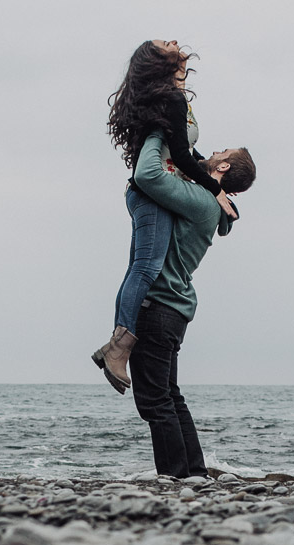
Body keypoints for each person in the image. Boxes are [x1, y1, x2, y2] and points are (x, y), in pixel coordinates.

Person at [94, 39, 238, 393]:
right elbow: (182, 158)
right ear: (160, 62)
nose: (174, 41)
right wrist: (215, 189)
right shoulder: (171, 100)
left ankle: (114, 346)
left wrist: (216, 182)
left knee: (140, 267)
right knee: (146, 267)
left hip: (151, 195)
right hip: (151, 195)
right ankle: (118, 348)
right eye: (165, 43)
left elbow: (188, 151)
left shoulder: (174, 99)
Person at [125, 131, 255, 477]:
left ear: (224, 164)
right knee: (170, 396)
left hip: (158, 305)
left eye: (221, 151)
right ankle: (194, 473)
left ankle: (175, 477)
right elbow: (189, 154)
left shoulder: (199, 199)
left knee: (155, 401)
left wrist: (154, 131)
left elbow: (148, 176)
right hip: (174, 310)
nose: (212, 150)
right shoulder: (211, 201)